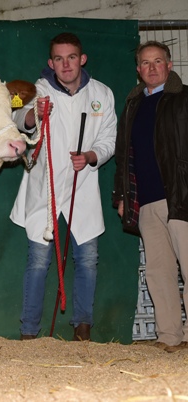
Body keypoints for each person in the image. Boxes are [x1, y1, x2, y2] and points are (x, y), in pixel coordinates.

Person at [10, 32, 117, 341]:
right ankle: (29, 333)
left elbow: (109, 137)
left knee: (87, 259)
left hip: (82, 185)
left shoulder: (101, 94)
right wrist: (34, 115)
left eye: (72, 57)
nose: (66, 64)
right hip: (45, 187)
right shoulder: (39, 91)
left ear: (82, 59)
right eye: (59, 58)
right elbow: (18, 118)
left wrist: (91, 156)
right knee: (39, 260)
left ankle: (82, 328)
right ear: (51, 62)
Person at [113, 41, 188, 353]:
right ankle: (170, 336)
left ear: (169, 65)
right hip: (146, 202)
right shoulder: (132, 105)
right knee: (159, 272)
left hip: (180, 198)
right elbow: (123, 156)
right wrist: (122, 195)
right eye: (146, 63)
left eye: (159, 61)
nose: (153, 67)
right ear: (138, 70)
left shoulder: (184, 99)